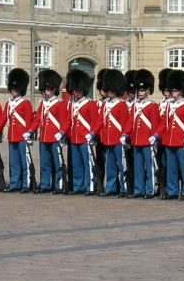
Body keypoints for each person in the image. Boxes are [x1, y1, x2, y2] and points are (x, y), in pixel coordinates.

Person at [160, 70, 184, 200]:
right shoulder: (169, 106)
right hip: (169, 141)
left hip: (181, 141)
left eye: (175, 90)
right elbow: (164, 123)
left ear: (181, 91)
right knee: (171, 168)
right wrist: (157, 135)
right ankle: (172, 190)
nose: (173, 92)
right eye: (172, 90)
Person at [32, 69, 67, 194]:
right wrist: (31, 130)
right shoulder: (43, 103)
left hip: (55, 137)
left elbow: (65, 121)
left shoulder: (59, 103)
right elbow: (37, 120)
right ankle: (45, 184)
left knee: (57, 163)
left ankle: (58, 185)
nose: (45, 91)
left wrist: (61, 133)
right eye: (44, 89)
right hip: (44, 138)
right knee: (44, 163)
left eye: (47, 89)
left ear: (53, 89)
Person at [65, 69, 99, 195]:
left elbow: (96, 122)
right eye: (74, 90)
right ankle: (78, 186)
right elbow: (69, 121)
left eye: (78, 90)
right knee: (76, 165)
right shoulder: (72, 104)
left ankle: (90, 186)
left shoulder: (90, 104)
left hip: (85, 138)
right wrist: (63, 133)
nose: (75, 92)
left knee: (87, 164)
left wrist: (92, 134)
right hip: (74, 138)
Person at [126, 69, 159, 198]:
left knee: (149, 167)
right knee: (138, 167)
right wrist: (125, 134)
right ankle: (138, 189)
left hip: (147, 140)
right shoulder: (135, 106)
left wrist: (154, 137)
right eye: (139, 91)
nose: (140, 93)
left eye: (143, 90)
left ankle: (150, 190)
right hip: (136, 140)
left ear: (148, 91)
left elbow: (155, 124)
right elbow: (130, 122)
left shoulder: (152, 106)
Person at [98, 69, 129, 197]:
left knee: (121, 165)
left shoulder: (121, 105)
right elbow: (101, 121)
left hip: (118, 139)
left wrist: (124, 135)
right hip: (108, 139)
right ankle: (111, 188)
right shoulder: (106, 105)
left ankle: (124, 188)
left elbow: (127, 122)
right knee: (110, 166)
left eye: (111, 89)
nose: (108, 92)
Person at [5, 68, 34, 193]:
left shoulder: (25, 103)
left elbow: (28, 120)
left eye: (16, 89)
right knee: (14, 162)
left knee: (24, 162)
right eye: (12, 88)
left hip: (22, 136)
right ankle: (14, 183)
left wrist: (29, 134)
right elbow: (2, 119)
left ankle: (26, 183)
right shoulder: (9, 104)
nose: (13, 90)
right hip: (12, 136)